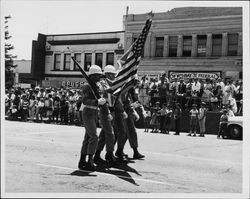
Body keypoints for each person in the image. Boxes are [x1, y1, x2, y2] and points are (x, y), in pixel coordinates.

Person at [78, 65, 106, 171]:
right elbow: (84, 100)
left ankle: (82, 161)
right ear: (92, 76)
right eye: (97, 75)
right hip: (88, 112)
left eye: (99, 75)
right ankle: (90, 160)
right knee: (94, 137)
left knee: (87, 138)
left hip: (94, 112)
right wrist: (96, 102)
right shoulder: (87, 86)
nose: (99, 77)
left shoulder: (96, 85)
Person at [93, 65, 121, 166]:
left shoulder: (111, 83)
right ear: (108, 74)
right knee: (110, 134)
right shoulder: (103, 83)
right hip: (105, 110)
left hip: (111, 110)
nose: (114, 76)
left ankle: (97, 155)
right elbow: (105, 94)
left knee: (104, 135)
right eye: (113, 75)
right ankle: (110, 154)